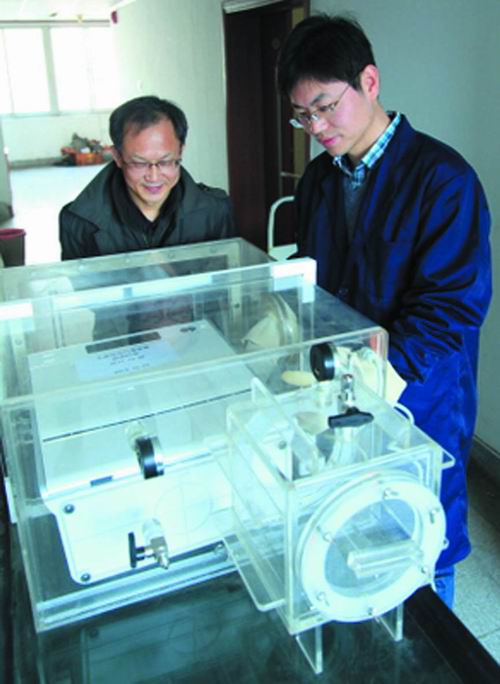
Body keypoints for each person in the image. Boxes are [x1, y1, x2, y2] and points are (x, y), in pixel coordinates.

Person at [277, 14, 492, 607]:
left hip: (419, 394)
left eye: (325, 107)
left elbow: (452, 305)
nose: (315, 128)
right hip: (343, 392)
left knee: (422, 539)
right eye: (302, 116)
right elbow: (319, 278)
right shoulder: (318, 180)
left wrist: (383, 371)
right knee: (351, 533)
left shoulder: (443, 179)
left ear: (369, 82)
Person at [59, 96, 235, 259]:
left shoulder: (215, 211)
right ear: (118, 156)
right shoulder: (79, 223)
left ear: (180, 151)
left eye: (165, 161)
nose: (154, 176)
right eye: (140, 163)